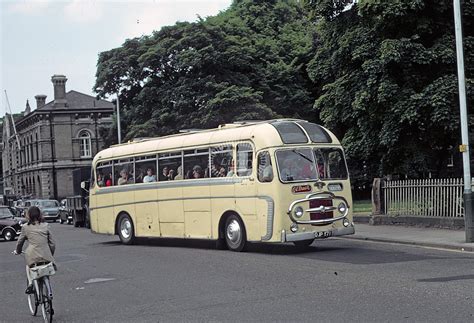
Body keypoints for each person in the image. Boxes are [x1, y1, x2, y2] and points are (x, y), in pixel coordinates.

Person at [14, 206, 56, 294]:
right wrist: (50, 254)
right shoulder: (45, 226)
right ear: (40, 214)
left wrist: (17, 251)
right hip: (46, 256)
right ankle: (49, 293)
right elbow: (52, 244)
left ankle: (30, 285)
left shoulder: (25, 227)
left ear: (28, 215)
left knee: (28, 266)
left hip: (32, 256)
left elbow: (20, 242)